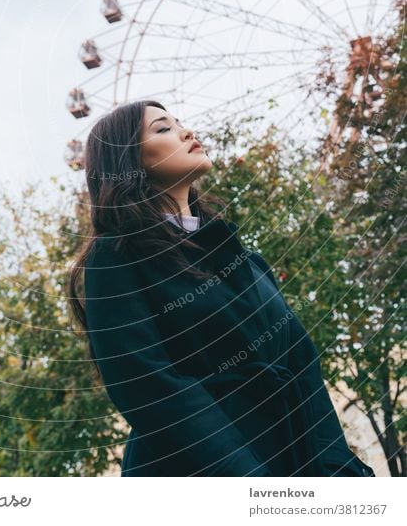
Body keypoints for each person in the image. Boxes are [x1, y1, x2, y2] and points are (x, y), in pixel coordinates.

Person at [68, 99, 375, 477]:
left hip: (295, 456)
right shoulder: (116, 257)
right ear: (128, 162)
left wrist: (334, 463)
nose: (186, 131)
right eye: (163, 128)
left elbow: (303, 365)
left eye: (180, 122)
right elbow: (149, 385)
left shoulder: (248, 262)